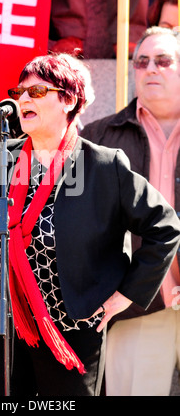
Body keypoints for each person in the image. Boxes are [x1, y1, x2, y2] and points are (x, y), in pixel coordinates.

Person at [0, 52, 180, 396]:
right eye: (19, 92)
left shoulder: (104, 166)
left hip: (71, 329)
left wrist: (125, 296)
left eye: (36, 92)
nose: (22, 100)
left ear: (68, 100)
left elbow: (164, 227)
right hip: (3, 327)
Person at [81, 26, 180, 396]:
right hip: (135, 306)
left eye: (163, 61)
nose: (151, 68)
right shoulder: (97, 137)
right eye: (142, 62)